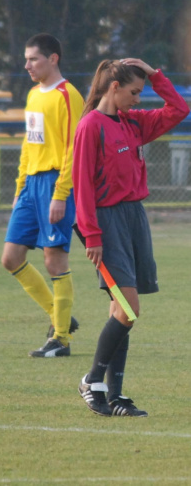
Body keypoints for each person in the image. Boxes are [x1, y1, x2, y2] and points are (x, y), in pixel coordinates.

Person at [73, 58, 189, 416]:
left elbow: (180, 108)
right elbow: (82, 186)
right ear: (114, 87)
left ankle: (115, 395)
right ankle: (91, 381)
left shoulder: (134, 123)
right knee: (128, 309)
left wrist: (156, 76)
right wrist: (92, 235)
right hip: (105, 223)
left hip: (134, 218)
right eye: (135, 92)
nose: (140, 99)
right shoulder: (91, 126)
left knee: (121, 311)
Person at [1, 33, 84, 357]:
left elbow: (73, 148)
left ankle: (60, 339)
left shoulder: (68, 96)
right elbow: (29, 142)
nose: (27, 65)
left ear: (53, 59)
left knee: (54, 260)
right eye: (26, 59)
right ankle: (58, 315)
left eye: (33, 59)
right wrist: (20, 185)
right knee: (11, 258)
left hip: (55, 184)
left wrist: (61, 194)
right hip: (31, 185)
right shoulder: (35, 94)